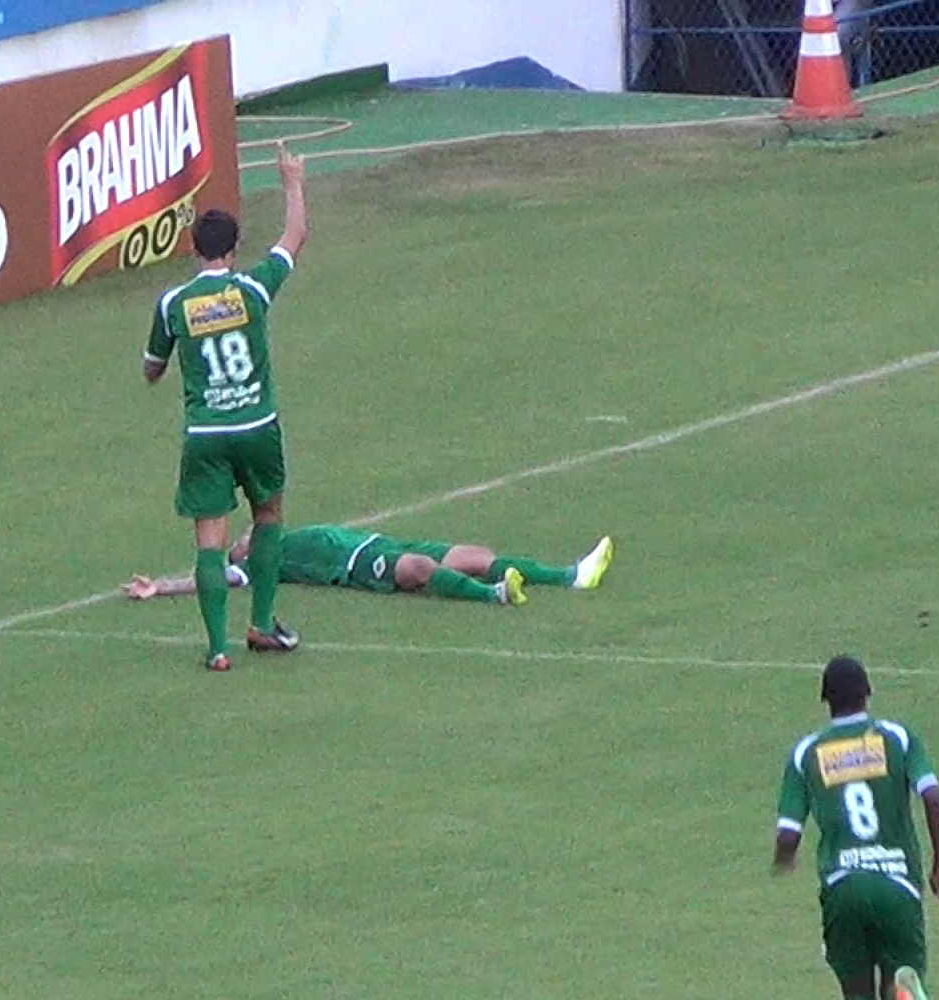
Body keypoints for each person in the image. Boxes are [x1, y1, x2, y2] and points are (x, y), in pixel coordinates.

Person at [143, 142, 309, 672]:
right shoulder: (254, 289)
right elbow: (294, 238)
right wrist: (292, 182)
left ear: (196, 250)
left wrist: (163, 366)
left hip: (206, 434)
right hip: (258, 424)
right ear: (234, 249)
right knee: (268, 516)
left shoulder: (174, 303)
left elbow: (152, 367)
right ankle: (261, 624)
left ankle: (217, 648)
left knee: (210, 536)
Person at [772, 655, 939, 1000]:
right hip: (897, 884)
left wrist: (783, 861)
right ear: (868, 693)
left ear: (825, 701)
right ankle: (906, 997)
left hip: (843, 887)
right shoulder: (897, 738)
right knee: (895, 993)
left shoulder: (806, 754)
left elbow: (787, 836)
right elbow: (932, 798)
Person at [124, 525, 614, 605]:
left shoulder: (275, 533)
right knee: (420, 568)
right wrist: (161, 588)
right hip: (360, 564)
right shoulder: (257, 566)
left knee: (473, 554)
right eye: (237, 544)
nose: (242, 537)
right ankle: (495, 596)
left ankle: (571, 575)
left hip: (377, 541)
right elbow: (212, 579)